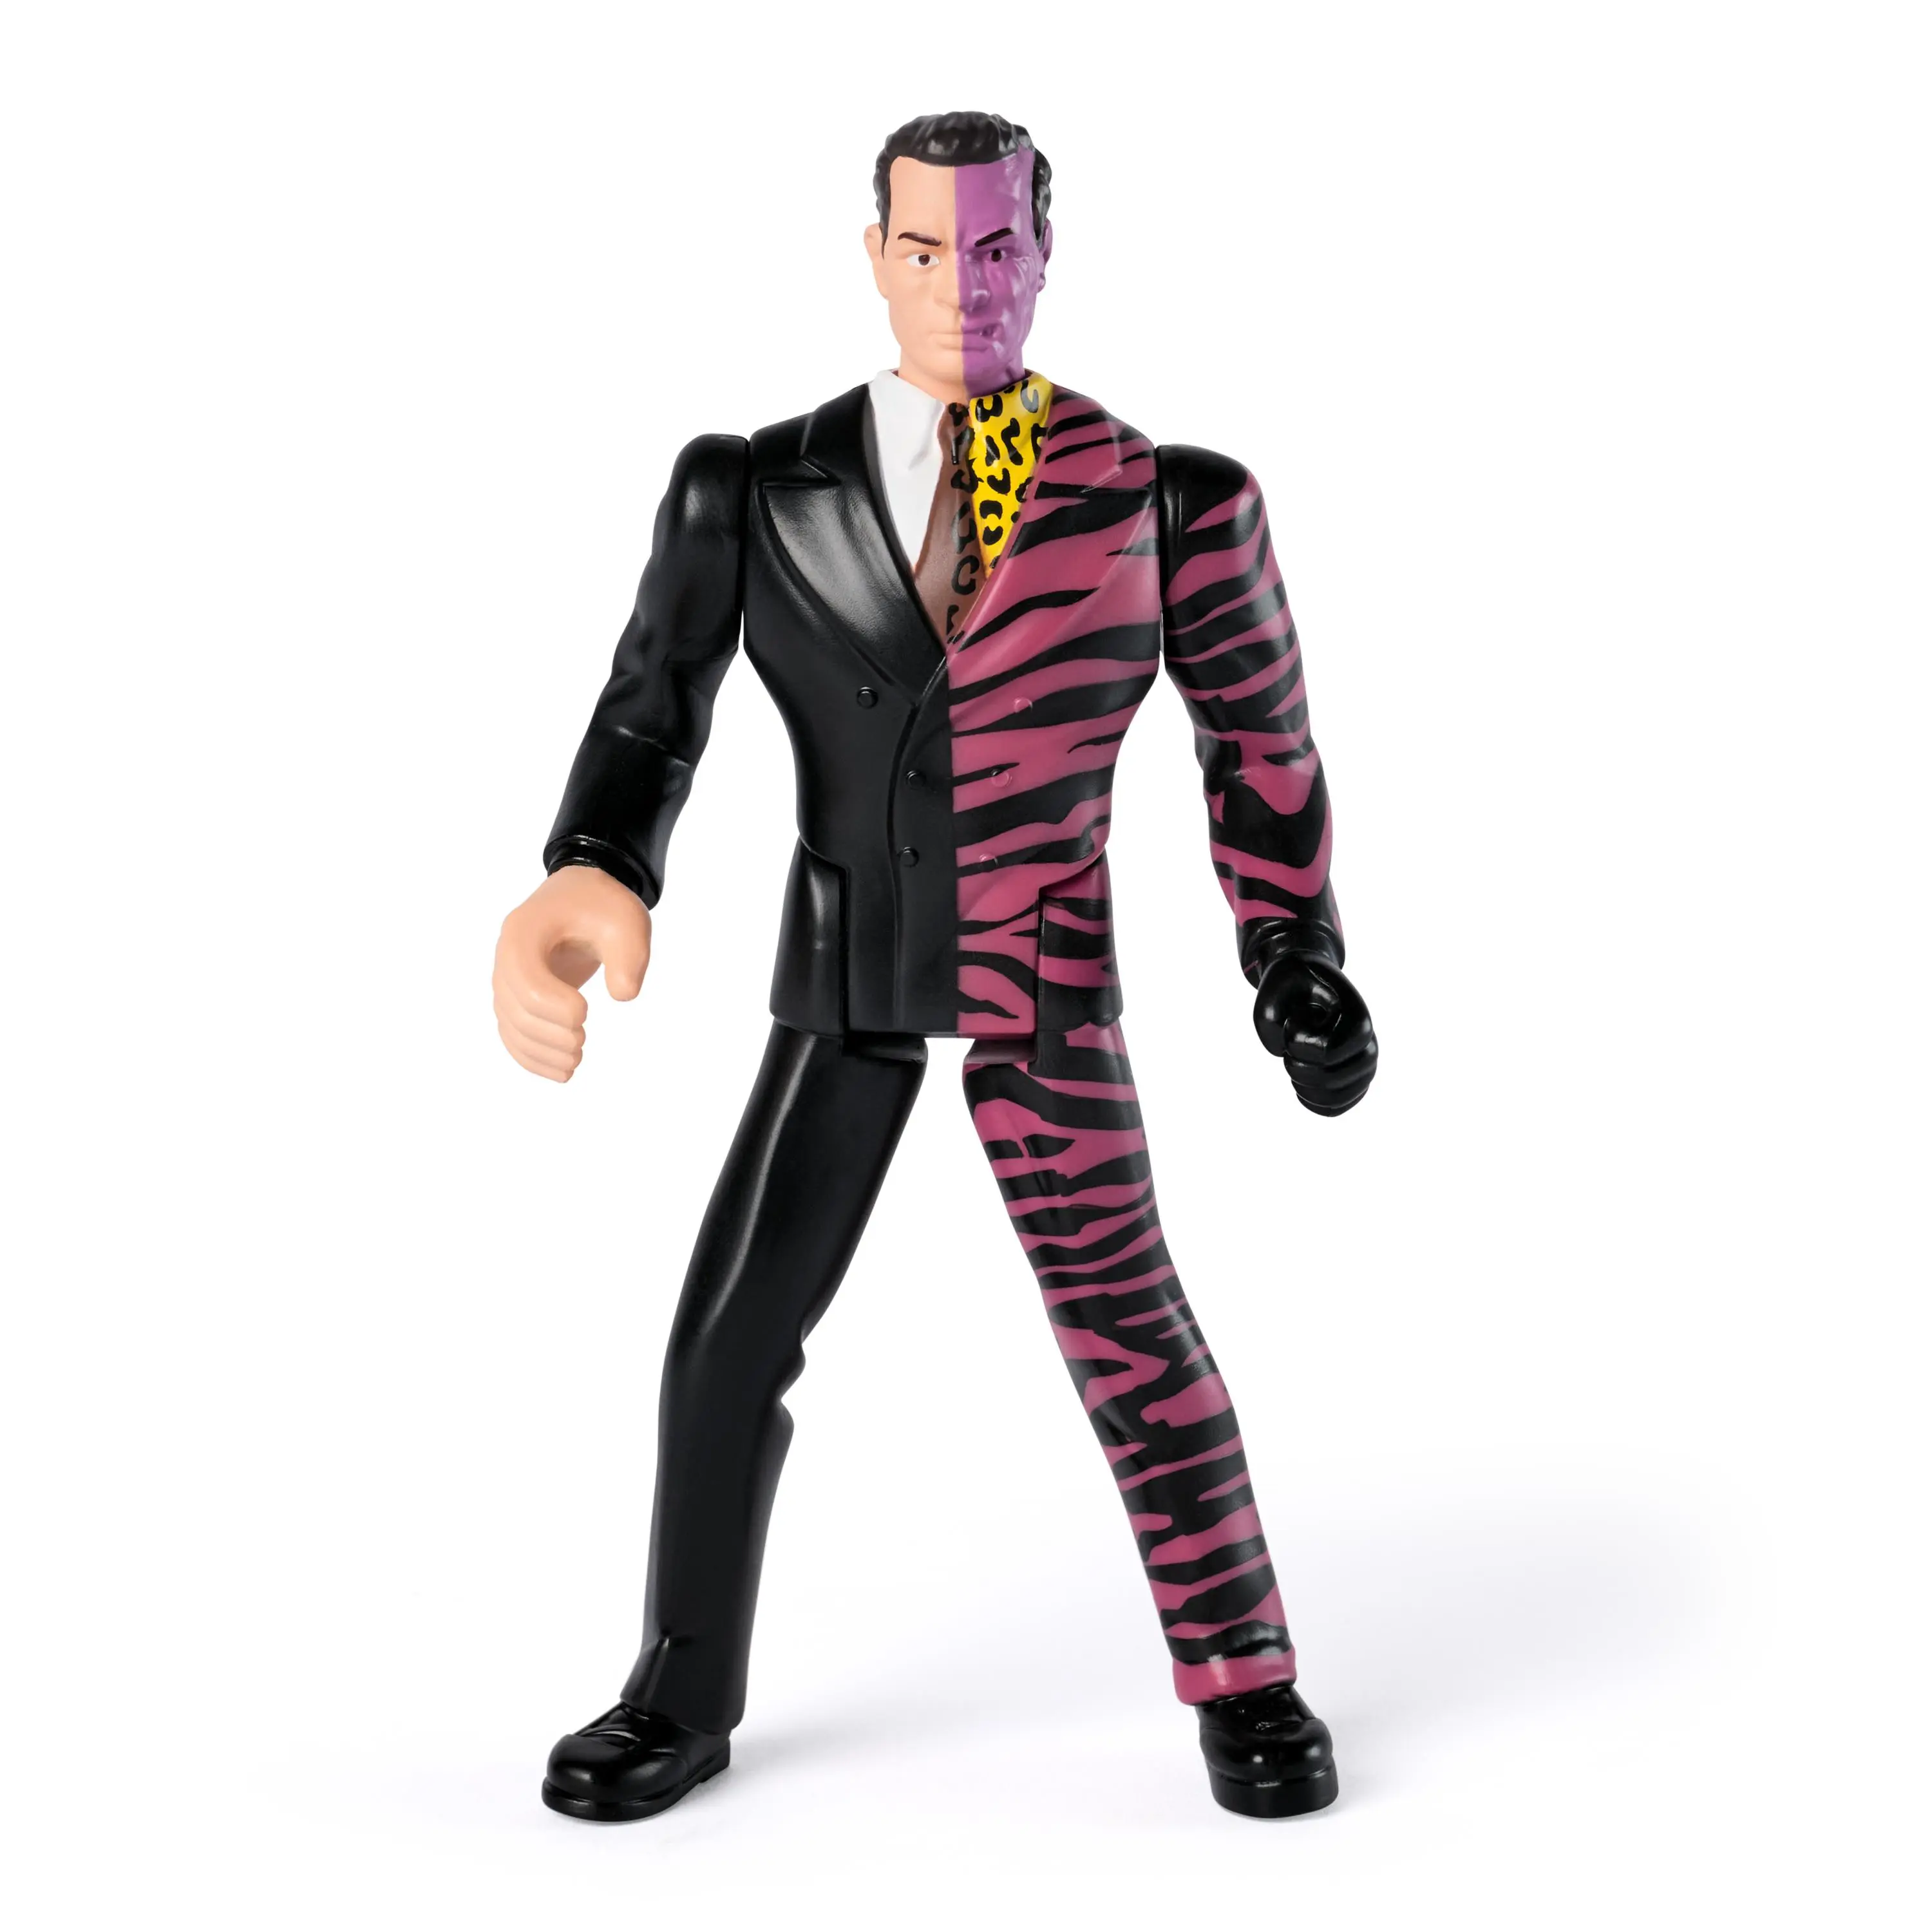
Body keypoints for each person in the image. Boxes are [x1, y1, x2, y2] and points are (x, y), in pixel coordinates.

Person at [492, 110, 1378, 1823]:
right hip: (846, 979)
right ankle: (681, 1687)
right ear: (871, 255)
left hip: (1044, 978)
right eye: (921, 248)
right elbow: (650, 711)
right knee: (727, 1335)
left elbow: (1258, 749)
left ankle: (1247, 1673)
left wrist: (1295, 955)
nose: (959, 286)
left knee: (1132, 1331)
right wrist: (591, 869)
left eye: (992, 248)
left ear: (1043, 255)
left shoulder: (1167, 501)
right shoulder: (753, 488)